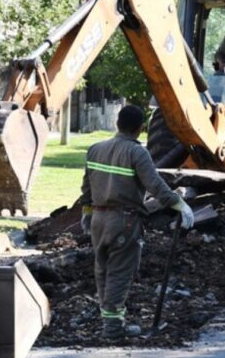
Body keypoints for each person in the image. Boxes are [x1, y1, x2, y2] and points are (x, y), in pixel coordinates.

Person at [80, 105, 195, 341]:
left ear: (117, 123)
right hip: (124, 221)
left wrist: (87, 212)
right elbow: (155, 185)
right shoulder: (136, 152)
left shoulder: (95, 149)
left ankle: (112, 323)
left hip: (98, 220)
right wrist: (179, 204)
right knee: (119, 274)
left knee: (102, 271)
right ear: (141, 128)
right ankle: (112, 330)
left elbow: (86, 187)